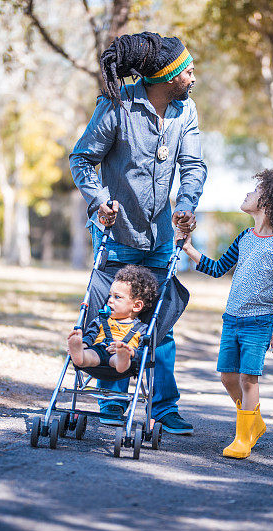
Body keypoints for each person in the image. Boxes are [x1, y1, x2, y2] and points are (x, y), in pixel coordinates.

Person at [69, 32, 207, 434]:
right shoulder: (118, 106)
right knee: (113, 319)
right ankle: (114, 398)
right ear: (167, 76)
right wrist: (98, 202)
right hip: (118, 237)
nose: (194, 75)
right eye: (188, 69)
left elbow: (193, 165)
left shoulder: (186, 111)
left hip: (162, 237)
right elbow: (82, 158)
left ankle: (164, 408)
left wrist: (185, 205)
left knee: (158, 325)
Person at [178, 169, 273, 459]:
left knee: (249, 379)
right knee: (227, 377)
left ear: (268, 203)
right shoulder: (245, 237)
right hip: (231, 319)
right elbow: (219, 268)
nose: (247, 194)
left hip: (259, 323)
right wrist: (189, 249)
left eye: (254, 192)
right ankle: (254, 421)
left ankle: (242, 438)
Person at [67, 265, 157, 374]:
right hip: (99, 349)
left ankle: (123, 357)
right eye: (110, 296)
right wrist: (83, 344)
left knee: (119, 360)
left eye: (117, 297)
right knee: (90, 355)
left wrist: (131, 352)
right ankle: (79, 355)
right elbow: (90, 336)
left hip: (120, 356)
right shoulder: (101, 320)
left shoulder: (142, 329)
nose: (109, 300)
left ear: (136, 306)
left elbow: (144, 352)